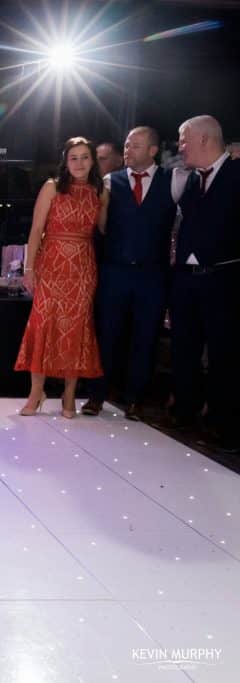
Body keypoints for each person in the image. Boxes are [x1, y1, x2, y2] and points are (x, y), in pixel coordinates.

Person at [81, 127, 178, 421]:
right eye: (126, 145)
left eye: (136, 146)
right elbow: (100, 226)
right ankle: (96, 395)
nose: (128, 151)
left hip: (152, 275)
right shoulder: (111, 181)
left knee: (145, 337)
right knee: (107, 334)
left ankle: (135, 399)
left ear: (152, 151)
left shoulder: (172, 181)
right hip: (115, 272)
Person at [15, 137, 108, 418]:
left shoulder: (101, 191)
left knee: (76, 329)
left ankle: (69, 395)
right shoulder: (52, 187)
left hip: (83, 267)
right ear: (66, 162)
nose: (79, 163)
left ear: (93, 160)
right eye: (74, 158)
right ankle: (36, 393)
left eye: (85, 157)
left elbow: (102, 230)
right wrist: (29, 269)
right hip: (51, 264)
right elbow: (35, 230)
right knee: (43, 325)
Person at [167, 115, 239, 453]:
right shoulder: (192, 181)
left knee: (225, 354)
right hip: (186, 280)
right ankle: (184, 413)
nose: (180, 146)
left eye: (183, 139)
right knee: (184, 349)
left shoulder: (237, 175)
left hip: (225, 280)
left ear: (205, 140)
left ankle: (223, 424)